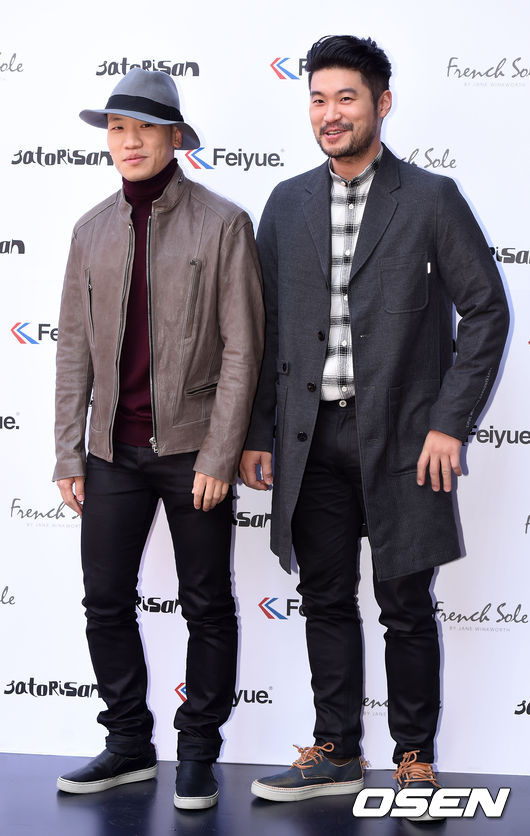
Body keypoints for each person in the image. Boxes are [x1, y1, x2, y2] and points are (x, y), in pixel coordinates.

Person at [240, 35, 508, 820]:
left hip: (404, 445)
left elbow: (487, 311)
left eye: (346, 98)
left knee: (406, 606)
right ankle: (336, 750)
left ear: (381, 104)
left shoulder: (430, 198)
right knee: (324, 598)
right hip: (310, 442)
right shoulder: (285, 203)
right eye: (318, 99)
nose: (330, 113)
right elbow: (261, 330)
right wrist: (259, 430)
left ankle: (414, 758)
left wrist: (449, 423)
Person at [53, 68, 264, 810]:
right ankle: (128, 744)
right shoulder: (89, 231)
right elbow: (72, 351)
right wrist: (67, 451)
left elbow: (244, 349)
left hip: (193, 451)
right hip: (112, 452)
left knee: (206, 603)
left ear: (175, 138)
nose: (130, 141)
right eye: (118, 128)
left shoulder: (223, 223)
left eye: (145, 127)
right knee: (105, 600)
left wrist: (219, 453)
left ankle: (198, 751)